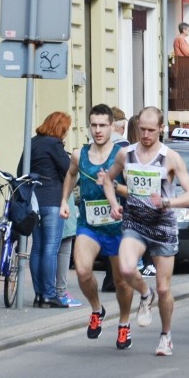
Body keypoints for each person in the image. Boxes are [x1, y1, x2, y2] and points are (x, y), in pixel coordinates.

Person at [102, 106, 189, 355]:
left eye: (151, 130)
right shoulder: (126, 154)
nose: (146, 135)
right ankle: (145, 294)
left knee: (165, 288)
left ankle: (166, 335)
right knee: (125, 269)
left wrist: (169, 202)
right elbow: (108, 180)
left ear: (161, 129)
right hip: (134, 222)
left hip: (163, 225)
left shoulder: (170, 158)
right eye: (142, 130)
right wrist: (114, 204)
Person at [60, 104, 134, 344]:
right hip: (89, 224)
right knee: (82, 271)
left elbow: (134, 189)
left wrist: (112, 186)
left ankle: (124, 323)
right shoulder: (79, 154)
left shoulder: (122, 155)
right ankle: (96, 309)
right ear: (89, 126)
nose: (98, 130)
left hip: (118, 226)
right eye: (94, 125)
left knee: (121, 281)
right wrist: (64, 201)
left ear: (113, 127)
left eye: (103, 125)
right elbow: (71, 174)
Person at [20, 111, 71, 308]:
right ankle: (49, 294)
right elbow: (68, 170)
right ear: (60, 128)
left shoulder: (32, 142)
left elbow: (20, 170)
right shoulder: (54, 144)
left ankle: (39, 295)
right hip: (52, 199)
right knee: (51, 249)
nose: (66, 133)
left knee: (38, 248)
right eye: (65, 129)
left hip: (33, 201)